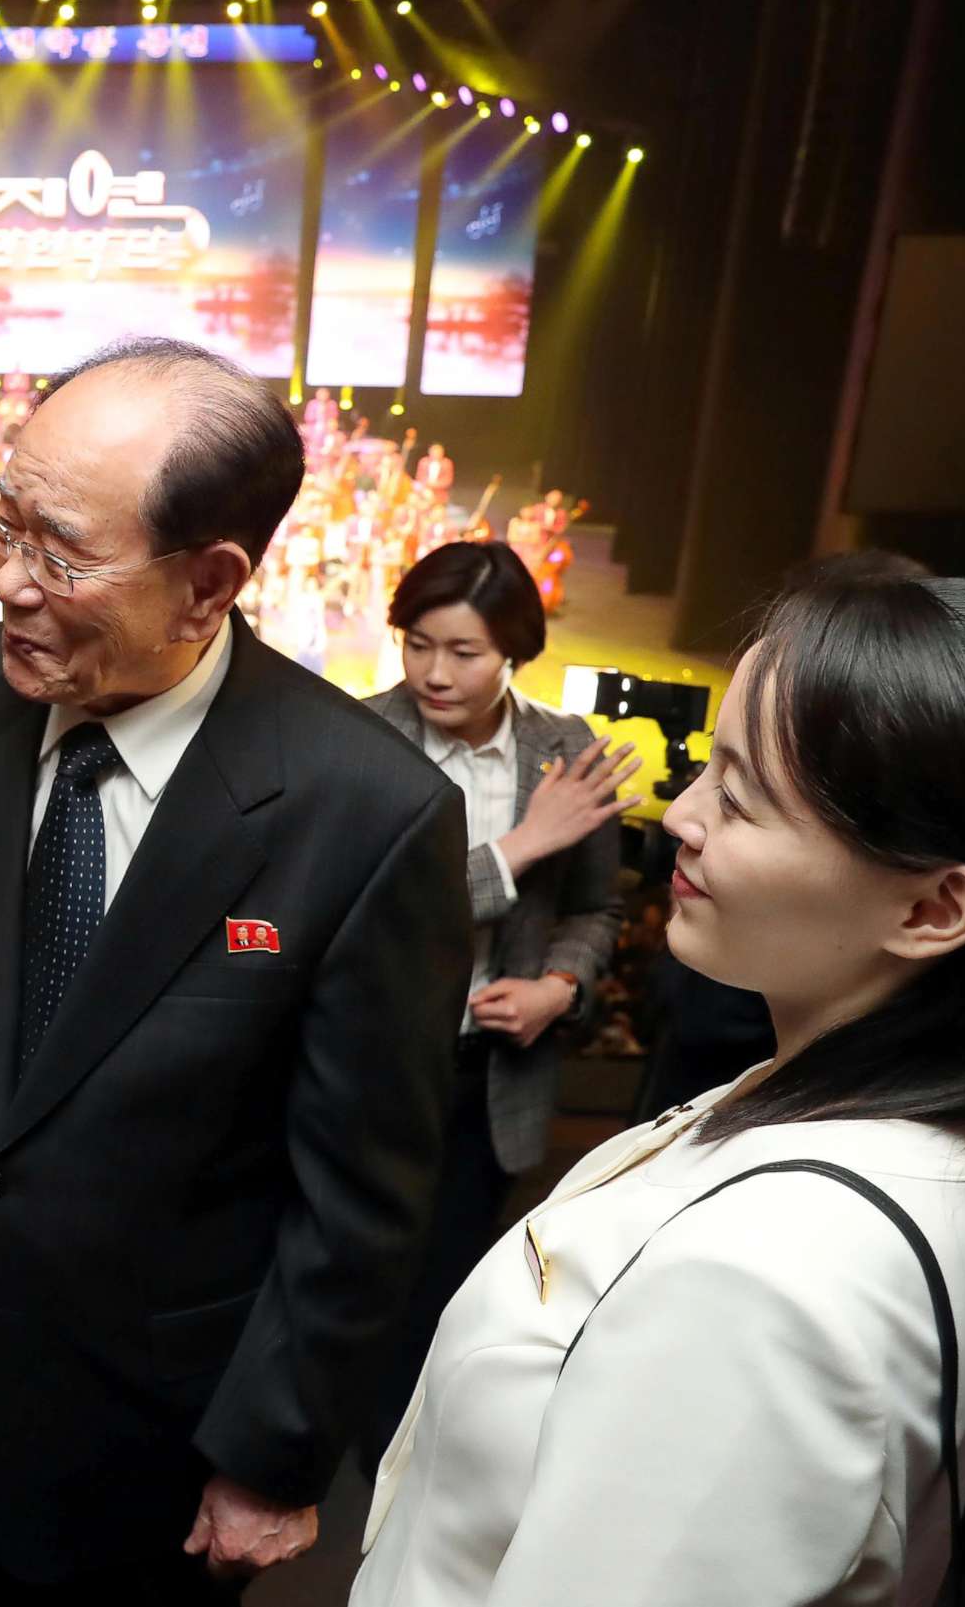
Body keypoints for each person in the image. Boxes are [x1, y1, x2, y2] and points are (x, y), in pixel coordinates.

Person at [0, 338, 472, 1601]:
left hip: (148, 1433)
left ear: (209, 582)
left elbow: (361, 1191)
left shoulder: (362, 814)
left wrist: (273, 1453)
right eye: (2, 524)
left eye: (60, 553)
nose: (6, 580)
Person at [354, 561, 965, 1607]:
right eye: (708, 767)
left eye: (745, 799)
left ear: (934, 910)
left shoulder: (765, 1284)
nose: (680, 816)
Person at [353, 540, 638, 1467]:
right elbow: (362, 911)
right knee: (355, 1268)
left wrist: (561, 987)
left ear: (515, 648)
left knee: (455, 1278)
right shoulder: (354, 741)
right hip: (371, 1066)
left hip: (493, 1076)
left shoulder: (566, 751)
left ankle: (413, 1453)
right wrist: (517, 851)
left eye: (464, 651)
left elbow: (598, 908)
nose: (435, 672)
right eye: (417, 643)